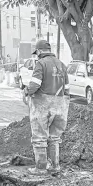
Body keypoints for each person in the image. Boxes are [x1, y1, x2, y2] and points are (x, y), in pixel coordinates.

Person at [23, 40, 70, 175]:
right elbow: (67, 89)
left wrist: (26, 91)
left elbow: (34, 85)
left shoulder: (41, 64)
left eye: (36, 53)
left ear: (39, 51)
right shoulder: (62, 64)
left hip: (43, 104)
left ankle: (41, 167)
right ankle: (55, 165)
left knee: (39, 137)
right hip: (60, 104)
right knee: (55, 137)